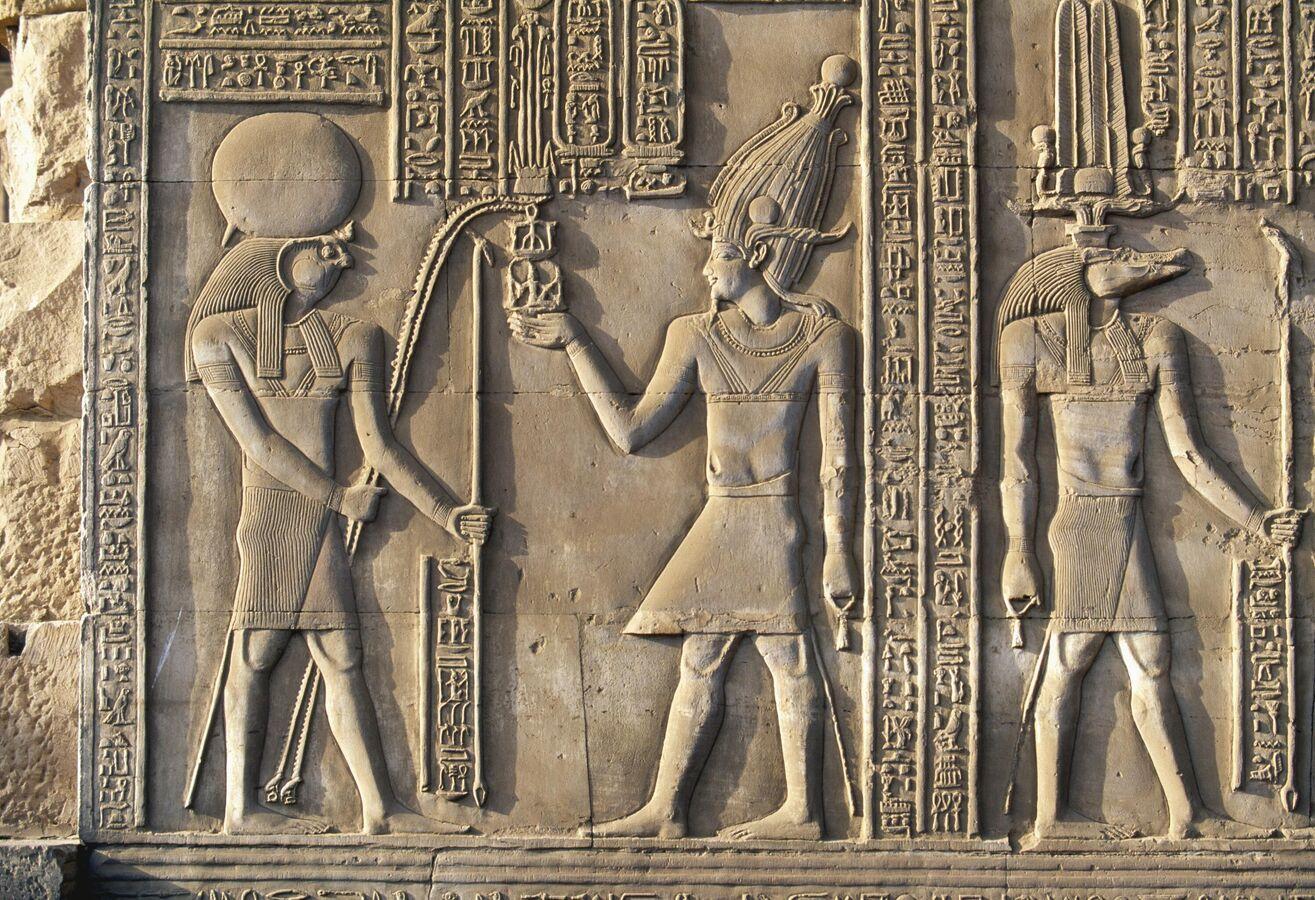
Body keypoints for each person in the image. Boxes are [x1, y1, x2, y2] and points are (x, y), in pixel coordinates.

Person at [512, 56, 860, 840]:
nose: (707, 268)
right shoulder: (694, 335)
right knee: (707, 657)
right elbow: (631, 431)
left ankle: (798, 811)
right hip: (722, 516)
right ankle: (670, 810)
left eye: (721, 253)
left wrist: (838, 553)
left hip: (772, 518)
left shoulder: (822, 338)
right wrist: (574, 343)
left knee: (785, 657)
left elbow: (839, 461)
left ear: (759, 254)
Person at [186, 225, 492, 834]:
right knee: (257, 649)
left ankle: (380, 808)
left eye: (343, 251)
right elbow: (257, 442)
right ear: (282, 256)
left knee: (341, 653)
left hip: (323, 515)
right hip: (274, 512)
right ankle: (241, 809)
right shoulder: (217, 337)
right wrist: (338, 496)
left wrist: (446, 512)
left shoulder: (354, 338)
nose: (340, 259)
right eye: (324, 247)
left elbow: (378, 444)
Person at [997, 241, 1304, 844]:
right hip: (1080, 523)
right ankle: (1053, 819)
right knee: (1071, 657)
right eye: (1113, 255)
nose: (1133, 262)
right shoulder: (1028, 339)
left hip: (1129, 518)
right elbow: (1017, 462)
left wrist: (1257, 520)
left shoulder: (1157, 336)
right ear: (1077, 270)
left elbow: (1188, 452)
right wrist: (1018, 551)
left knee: (1151, 661)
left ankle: (1186, 815)